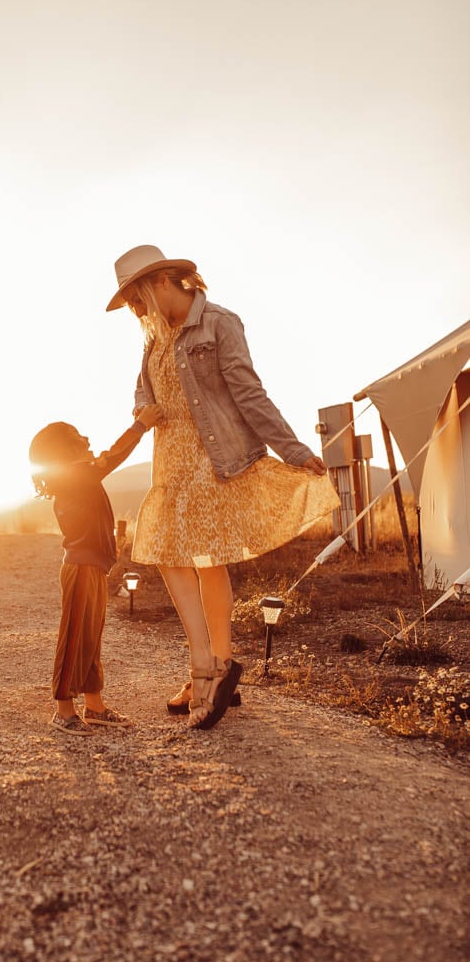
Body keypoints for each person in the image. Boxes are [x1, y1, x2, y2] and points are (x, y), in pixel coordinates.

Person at [106, 244, 339, 731]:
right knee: (172, 556)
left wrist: (292, 449)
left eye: (137, 299)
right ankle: (215, 666)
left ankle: (209, 668)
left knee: (205, 558)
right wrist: (141, 412)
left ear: (162, 283)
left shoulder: (219, 323)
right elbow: (142, 393)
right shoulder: (153, 339)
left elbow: (249, 392)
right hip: (168, 460)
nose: (136, 311)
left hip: (210, 457)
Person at [29, 405, 163, 735]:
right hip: (79, 569)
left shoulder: (78, 476)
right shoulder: (73, 476)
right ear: (62, 452)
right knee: (74, 639)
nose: (86, 438)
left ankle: (95, 706)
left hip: (94, 569)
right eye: (76, 437)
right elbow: (111, 457)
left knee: (91, 640)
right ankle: (63, 710)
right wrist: (140, 426)